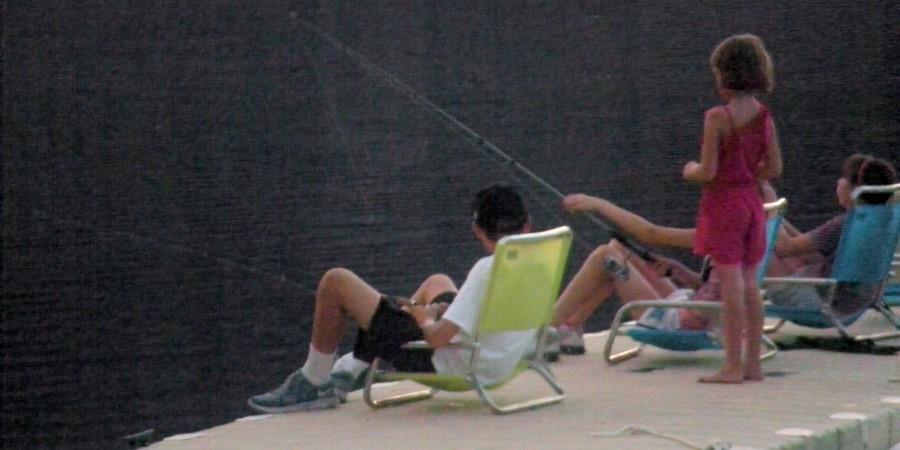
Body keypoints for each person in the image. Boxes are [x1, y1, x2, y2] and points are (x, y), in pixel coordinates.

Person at [248, 184, 537, 413]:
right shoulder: (537, 260)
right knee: (437, 282)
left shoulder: (488, 269)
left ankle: (313, 381)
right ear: (528, 226)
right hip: (497, 358)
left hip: (449, 361)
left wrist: (425, 318)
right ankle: (355, 363)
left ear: (477, 230)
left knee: (335, 282)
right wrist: (442, 311)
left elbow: (436, 339)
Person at [681, 34, 782, 383]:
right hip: (752, 203)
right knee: (751, 284)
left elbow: (708, 171)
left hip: (724, 204)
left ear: (725, 74)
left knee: (731, 285)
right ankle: (753, 364)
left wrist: (690, 169)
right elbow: (774, 168)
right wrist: (749, 171)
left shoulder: (717, 117)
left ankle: (731, 365)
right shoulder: (764, 115)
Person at [552, 195, 721, 345]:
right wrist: (680, 271)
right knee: (619, 247)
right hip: (691, 307)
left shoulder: (723, 231)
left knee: (606, 257)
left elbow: (650, 233)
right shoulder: (734, 227)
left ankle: (543, 329)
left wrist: (598, 205)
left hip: (682, 324)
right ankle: (570, 326)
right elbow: (713, 290)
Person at [764, 154, 897, 318]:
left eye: (843, 178)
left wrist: (769, 200)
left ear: (856, 189)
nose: (838, 182)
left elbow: (783, 248)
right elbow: (802, 248)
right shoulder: (878, 223)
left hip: (825, 305)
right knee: (786, 245)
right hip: (855, 304)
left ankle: (731, 303)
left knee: (762, 246)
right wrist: (776, 218)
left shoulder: (843, 225)